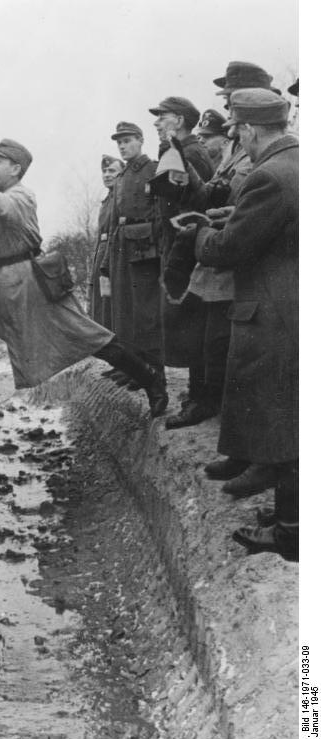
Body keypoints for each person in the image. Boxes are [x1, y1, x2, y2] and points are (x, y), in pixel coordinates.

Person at [0, 128, 168, 416]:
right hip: (9, 282)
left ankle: (150, 379)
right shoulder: (5, 198)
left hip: (33, 285)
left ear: (15, 169)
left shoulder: (20, 197)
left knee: (92, 339)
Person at [189, 89, 298, 560]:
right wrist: (234, 215)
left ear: (251, 129)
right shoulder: (298, 163)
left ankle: (291, 533)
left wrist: (199, 232)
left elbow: (229, 251)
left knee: (284, 424)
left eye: (238, 131)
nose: (239, 140)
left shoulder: (268, 176)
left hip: (275, 314)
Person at [183, 62, 281, 499]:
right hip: (248, 267)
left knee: (255, 370)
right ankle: (247, 452)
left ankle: (267, 464)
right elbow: (240, 200)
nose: (228, 117)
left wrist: (203, 231)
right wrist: (218, 214)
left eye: (233, 106)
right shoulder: (247, 151)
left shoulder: (270, 157)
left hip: (257, 274)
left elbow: (259, 202)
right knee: (239, 361)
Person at [148, 97, 214, 428]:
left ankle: (201, 399)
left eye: (163, 117)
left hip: (189, 251)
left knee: (195, 323)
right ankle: (196, 394)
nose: (157, 123)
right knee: (189, 323)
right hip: (178, 248)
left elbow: (197, 207)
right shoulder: (176, 151)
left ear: (182, 120)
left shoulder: (192, 153)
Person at [103, 122, 167, 406]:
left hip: (144, 249)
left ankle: (157, 376)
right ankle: (138, 371)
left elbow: (159, 212)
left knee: (146, 316)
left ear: (141, 141)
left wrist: (155, 245)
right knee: (126, 314)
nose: (123, 146)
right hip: (122, 247)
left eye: (128, 140)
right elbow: (114, 219)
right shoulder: (123, 175)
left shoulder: (151, 169)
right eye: (119, 142)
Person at [88, 154, 123, 328]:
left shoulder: (121, 198)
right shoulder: (107, 200)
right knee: (101, 301)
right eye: (104, 171)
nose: (107, 174)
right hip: (101, 253)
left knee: (110, 303)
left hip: (113, 255)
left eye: (112, 171)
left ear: (121, 174)